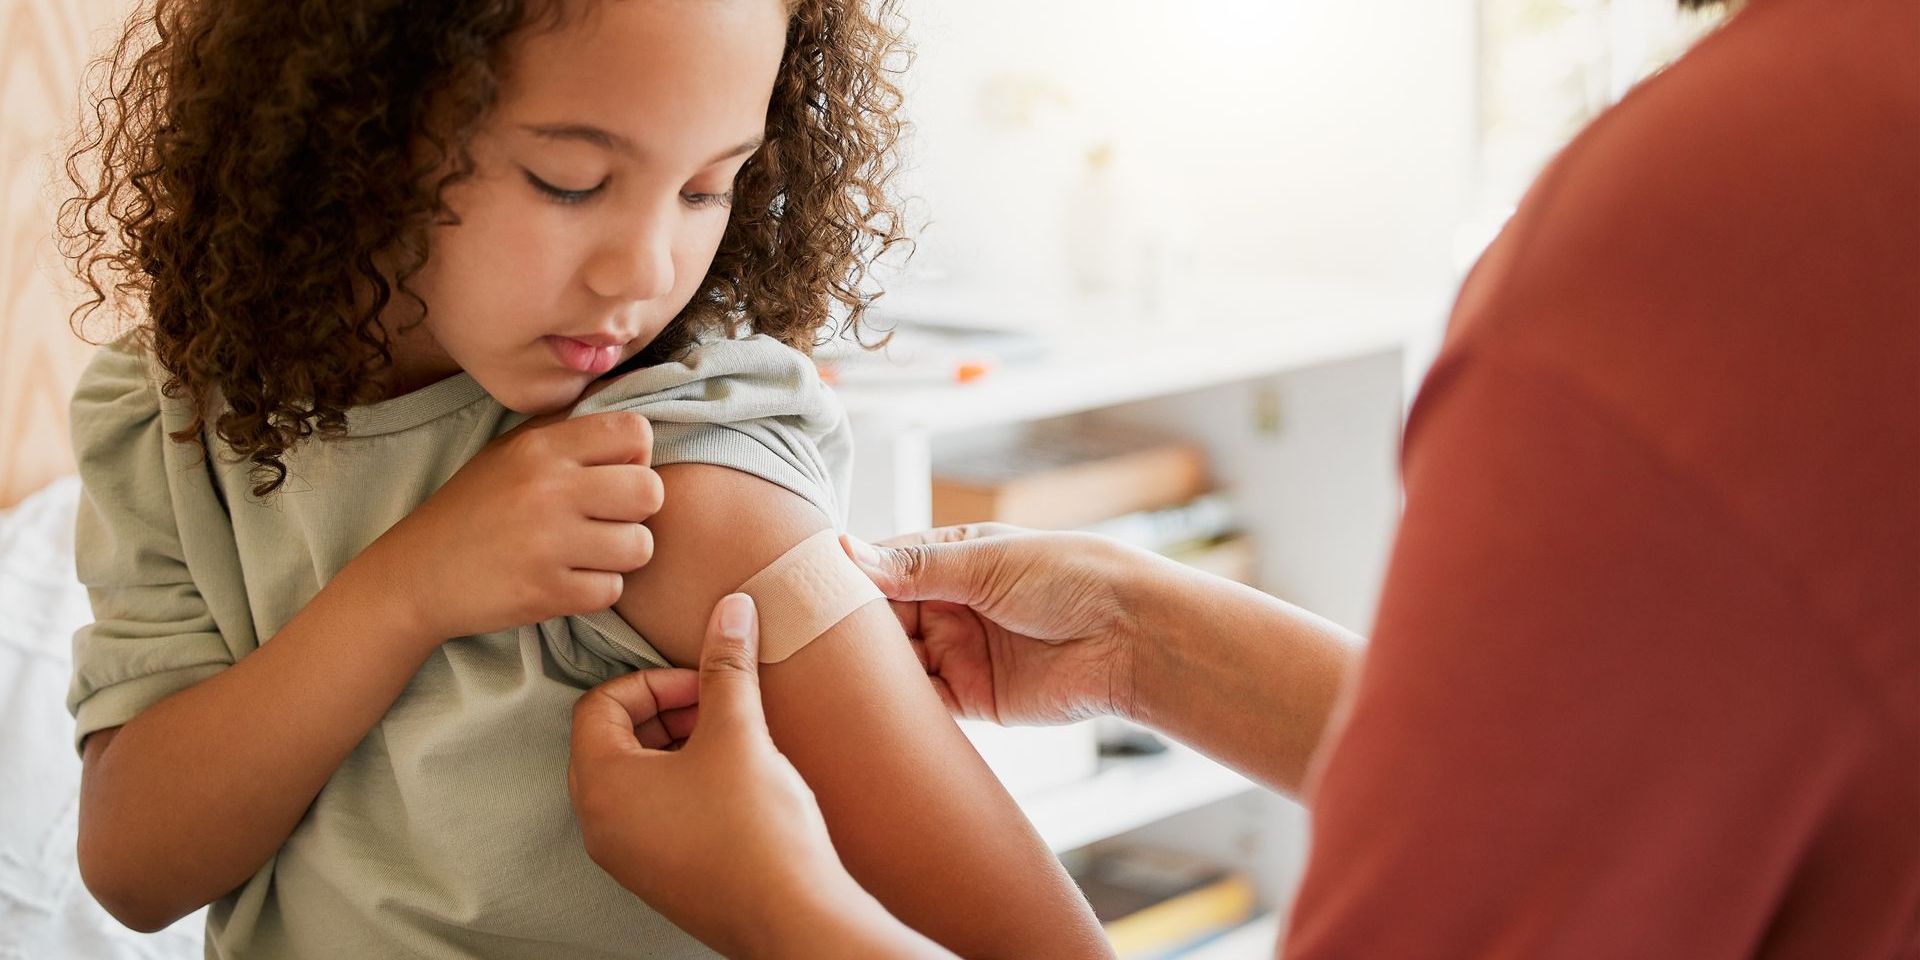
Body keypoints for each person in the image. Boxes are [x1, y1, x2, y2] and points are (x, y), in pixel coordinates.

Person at [565, 0, 1920, 954]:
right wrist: (1142, 642)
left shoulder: (1707, 242)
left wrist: (792, 919)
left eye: (709, 190)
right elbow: (1637, 790)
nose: (638, 266)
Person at [59, 0, 1110, 957]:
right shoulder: (174, 417)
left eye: (709, 187)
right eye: (572, 181)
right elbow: (137, 872)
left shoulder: (675, 475)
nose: (645, 271)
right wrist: (406, 590)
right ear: (358, 126)